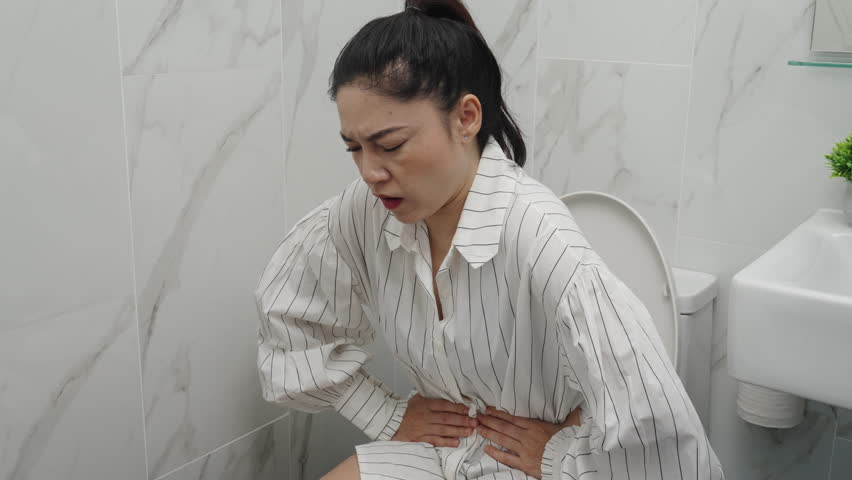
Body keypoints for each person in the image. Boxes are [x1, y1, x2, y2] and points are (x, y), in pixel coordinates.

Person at [253, 1, 724, 479]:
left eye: (390, 145)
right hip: (446, 449)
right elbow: (290, 322)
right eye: (354, 148)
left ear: (466, 118)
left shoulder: (541, 239)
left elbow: (660, 431)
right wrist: (386, 413)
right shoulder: (365, 210)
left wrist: (564, 456)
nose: (371, 172)